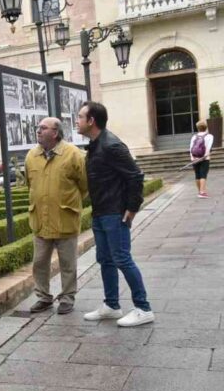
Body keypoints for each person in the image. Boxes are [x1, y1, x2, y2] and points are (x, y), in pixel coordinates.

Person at [76, 101, 154, 326]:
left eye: (80, 117)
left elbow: (135, 176)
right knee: (105, 259)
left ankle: (143, 308)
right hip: (101, 212)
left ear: (91, 121)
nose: (77, 121)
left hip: (115, 212)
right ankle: (111, 305)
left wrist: (132, 208)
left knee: (122, 258)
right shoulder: (96, 145)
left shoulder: (111, 145)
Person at [26, 117, 88, 315]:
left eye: (43, 128)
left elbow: (85, 185)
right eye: (38, 128)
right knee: (39, 263)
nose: (38, 131)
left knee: (68, 263)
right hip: (40, 220)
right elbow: (30, 184)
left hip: (65, 218)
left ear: (55, 133)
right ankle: (43, 298)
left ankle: (67, 298)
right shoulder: (31, 156)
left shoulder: (73, 154)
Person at [190, 120, 214, 198]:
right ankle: (202, 192)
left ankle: (200, 191)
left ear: (198, 128)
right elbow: (208, 148)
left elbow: (191, 149)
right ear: (206, 127)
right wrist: (205, 156)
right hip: (205, 158)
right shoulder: (209, 136)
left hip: (195, 158)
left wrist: (192, 158)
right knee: (203, 175)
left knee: (197, 175)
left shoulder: (194, 137)